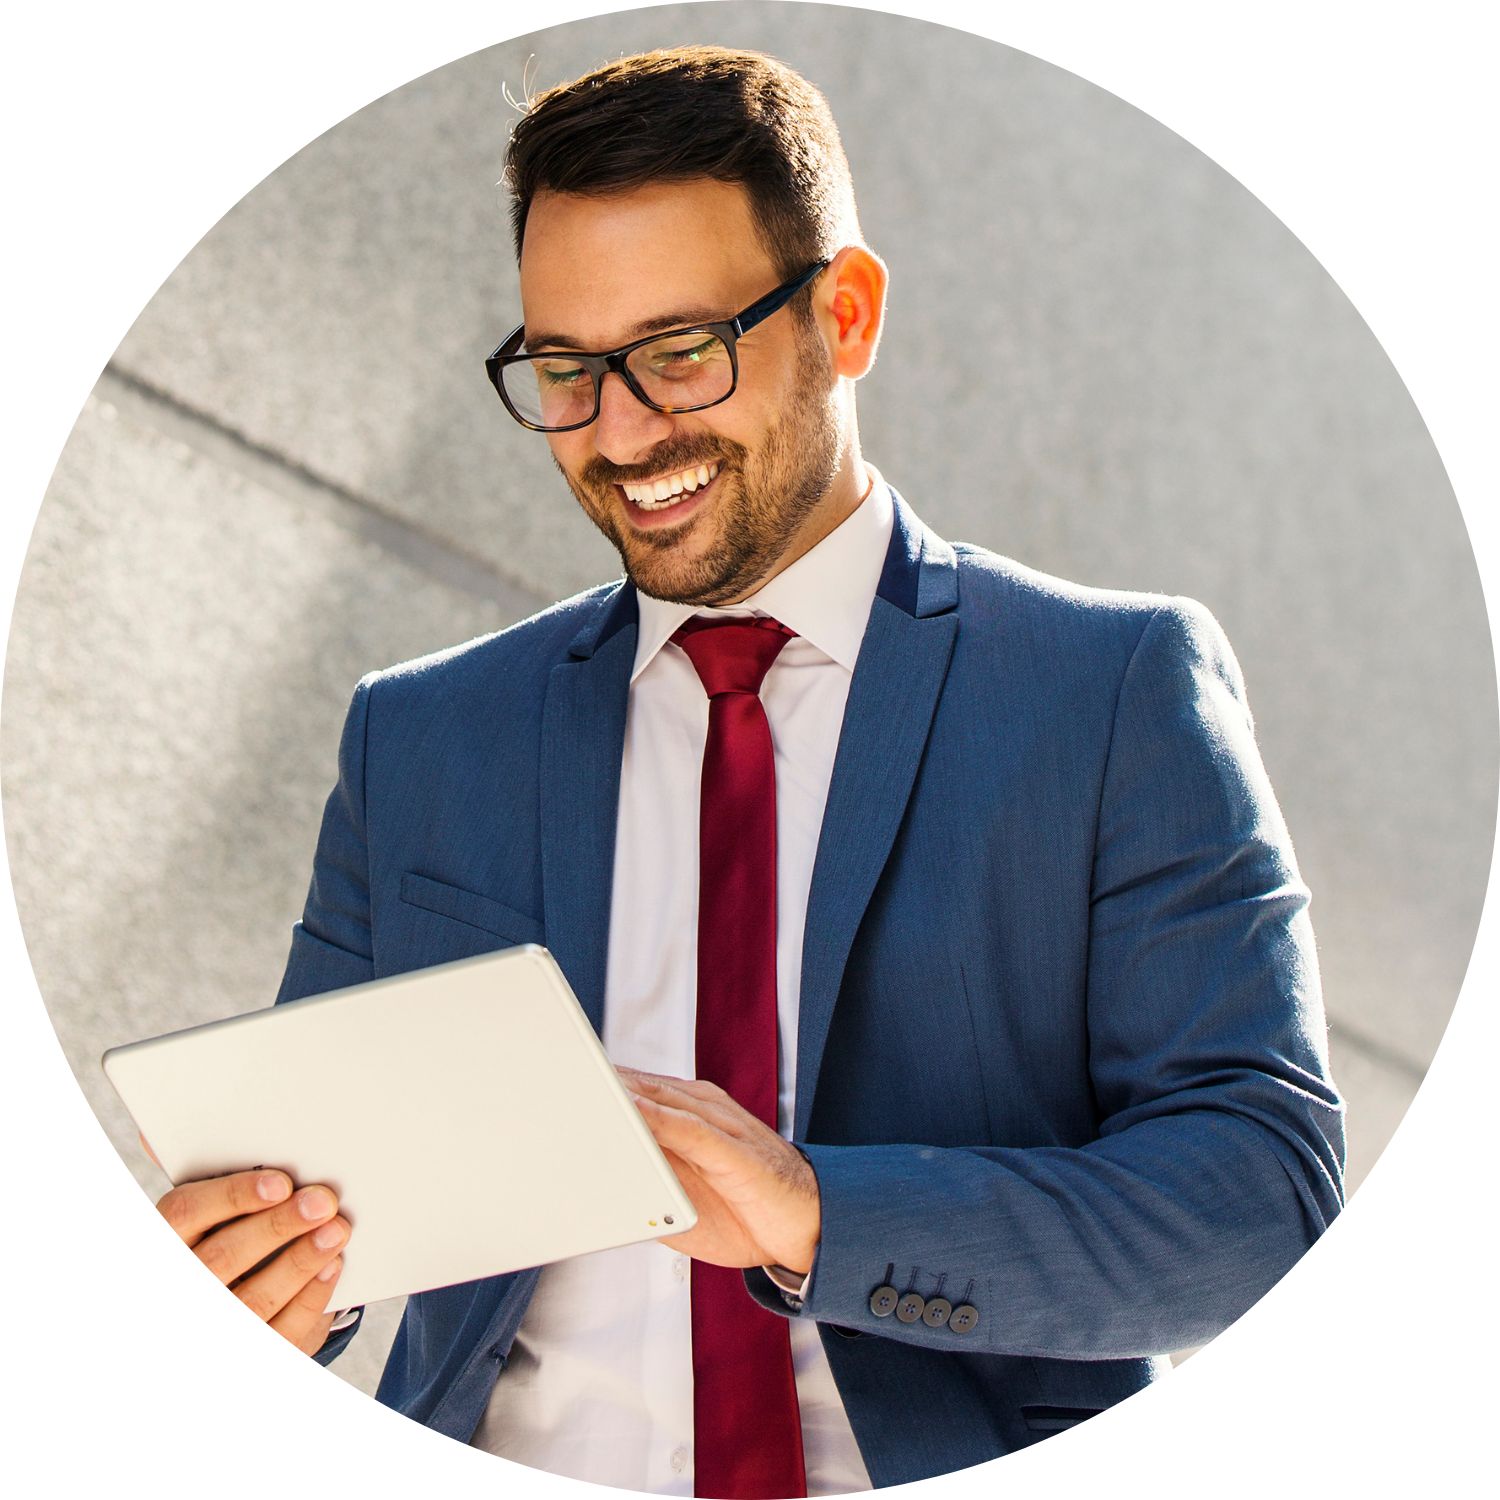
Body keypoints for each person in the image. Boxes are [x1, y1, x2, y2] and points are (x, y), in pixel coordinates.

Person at [153, 46, 1345, 1495]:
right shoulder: (421, 738)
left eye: (679, 352)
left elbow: (1262, 1198)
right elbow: (325, 1201)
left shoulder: (1107, 693)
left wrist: (818, 1211)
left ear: (844, 315)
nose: (623, 432)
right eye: (566, 370)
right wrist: (268, 1280)